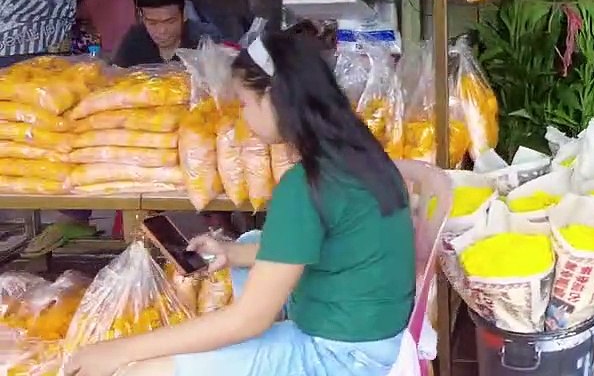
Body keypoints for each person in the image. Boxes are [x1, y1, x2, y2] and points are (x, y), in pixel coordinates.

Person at [64, 31, 416, 376]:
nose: (243, 116)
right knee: (251, 242)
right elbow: (321, 244)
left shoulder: (307, 184)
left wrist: (119, 350)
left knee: (143, 371)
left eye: (245, 103)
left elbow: (248, 320)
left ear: (273, 98)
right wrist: (230, 253)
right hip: (378, 341)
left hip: (340, 358)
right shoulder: (360, 155)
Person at [114, 0, 220, 67]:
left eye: (170, 22)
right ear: (142, 17)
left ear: (184, 15)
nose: (162, 31)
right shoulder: (135, 39)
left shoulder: (206, 39)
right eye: (152, 23)